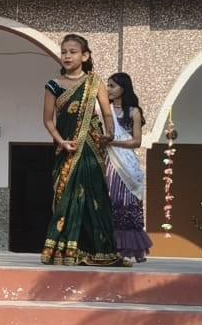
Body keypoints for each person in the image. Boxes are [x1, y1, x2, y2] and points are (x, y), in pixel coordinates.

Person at [41, 34, 127, 266]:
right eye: (64, 52)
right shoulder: (53, 85)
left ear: (85, 56)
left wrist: (110, 133)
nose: (67, 56)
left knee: (94, 196)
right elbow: (48, 120)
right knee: (66, 197)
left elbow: (107, 113)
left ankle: (97, 249)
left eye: (73, 52)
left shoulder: (95, 82)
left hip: (91, 147)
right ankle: (63, 250)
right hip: (66, 149)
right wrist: (61, 141)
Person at [106, 72, 153, 263]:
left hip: (127, 163)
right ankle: (110, 248)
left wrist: (112, 142)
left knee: (127, 203)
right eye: (108, 85)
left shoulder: (133, 112)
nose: (108, 89)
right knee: (110, 201)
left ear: (123, 88)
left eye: (112, 86)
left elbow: (136, 141)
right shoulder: (105, 110)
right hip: (109, 162)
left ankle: (133, 249)